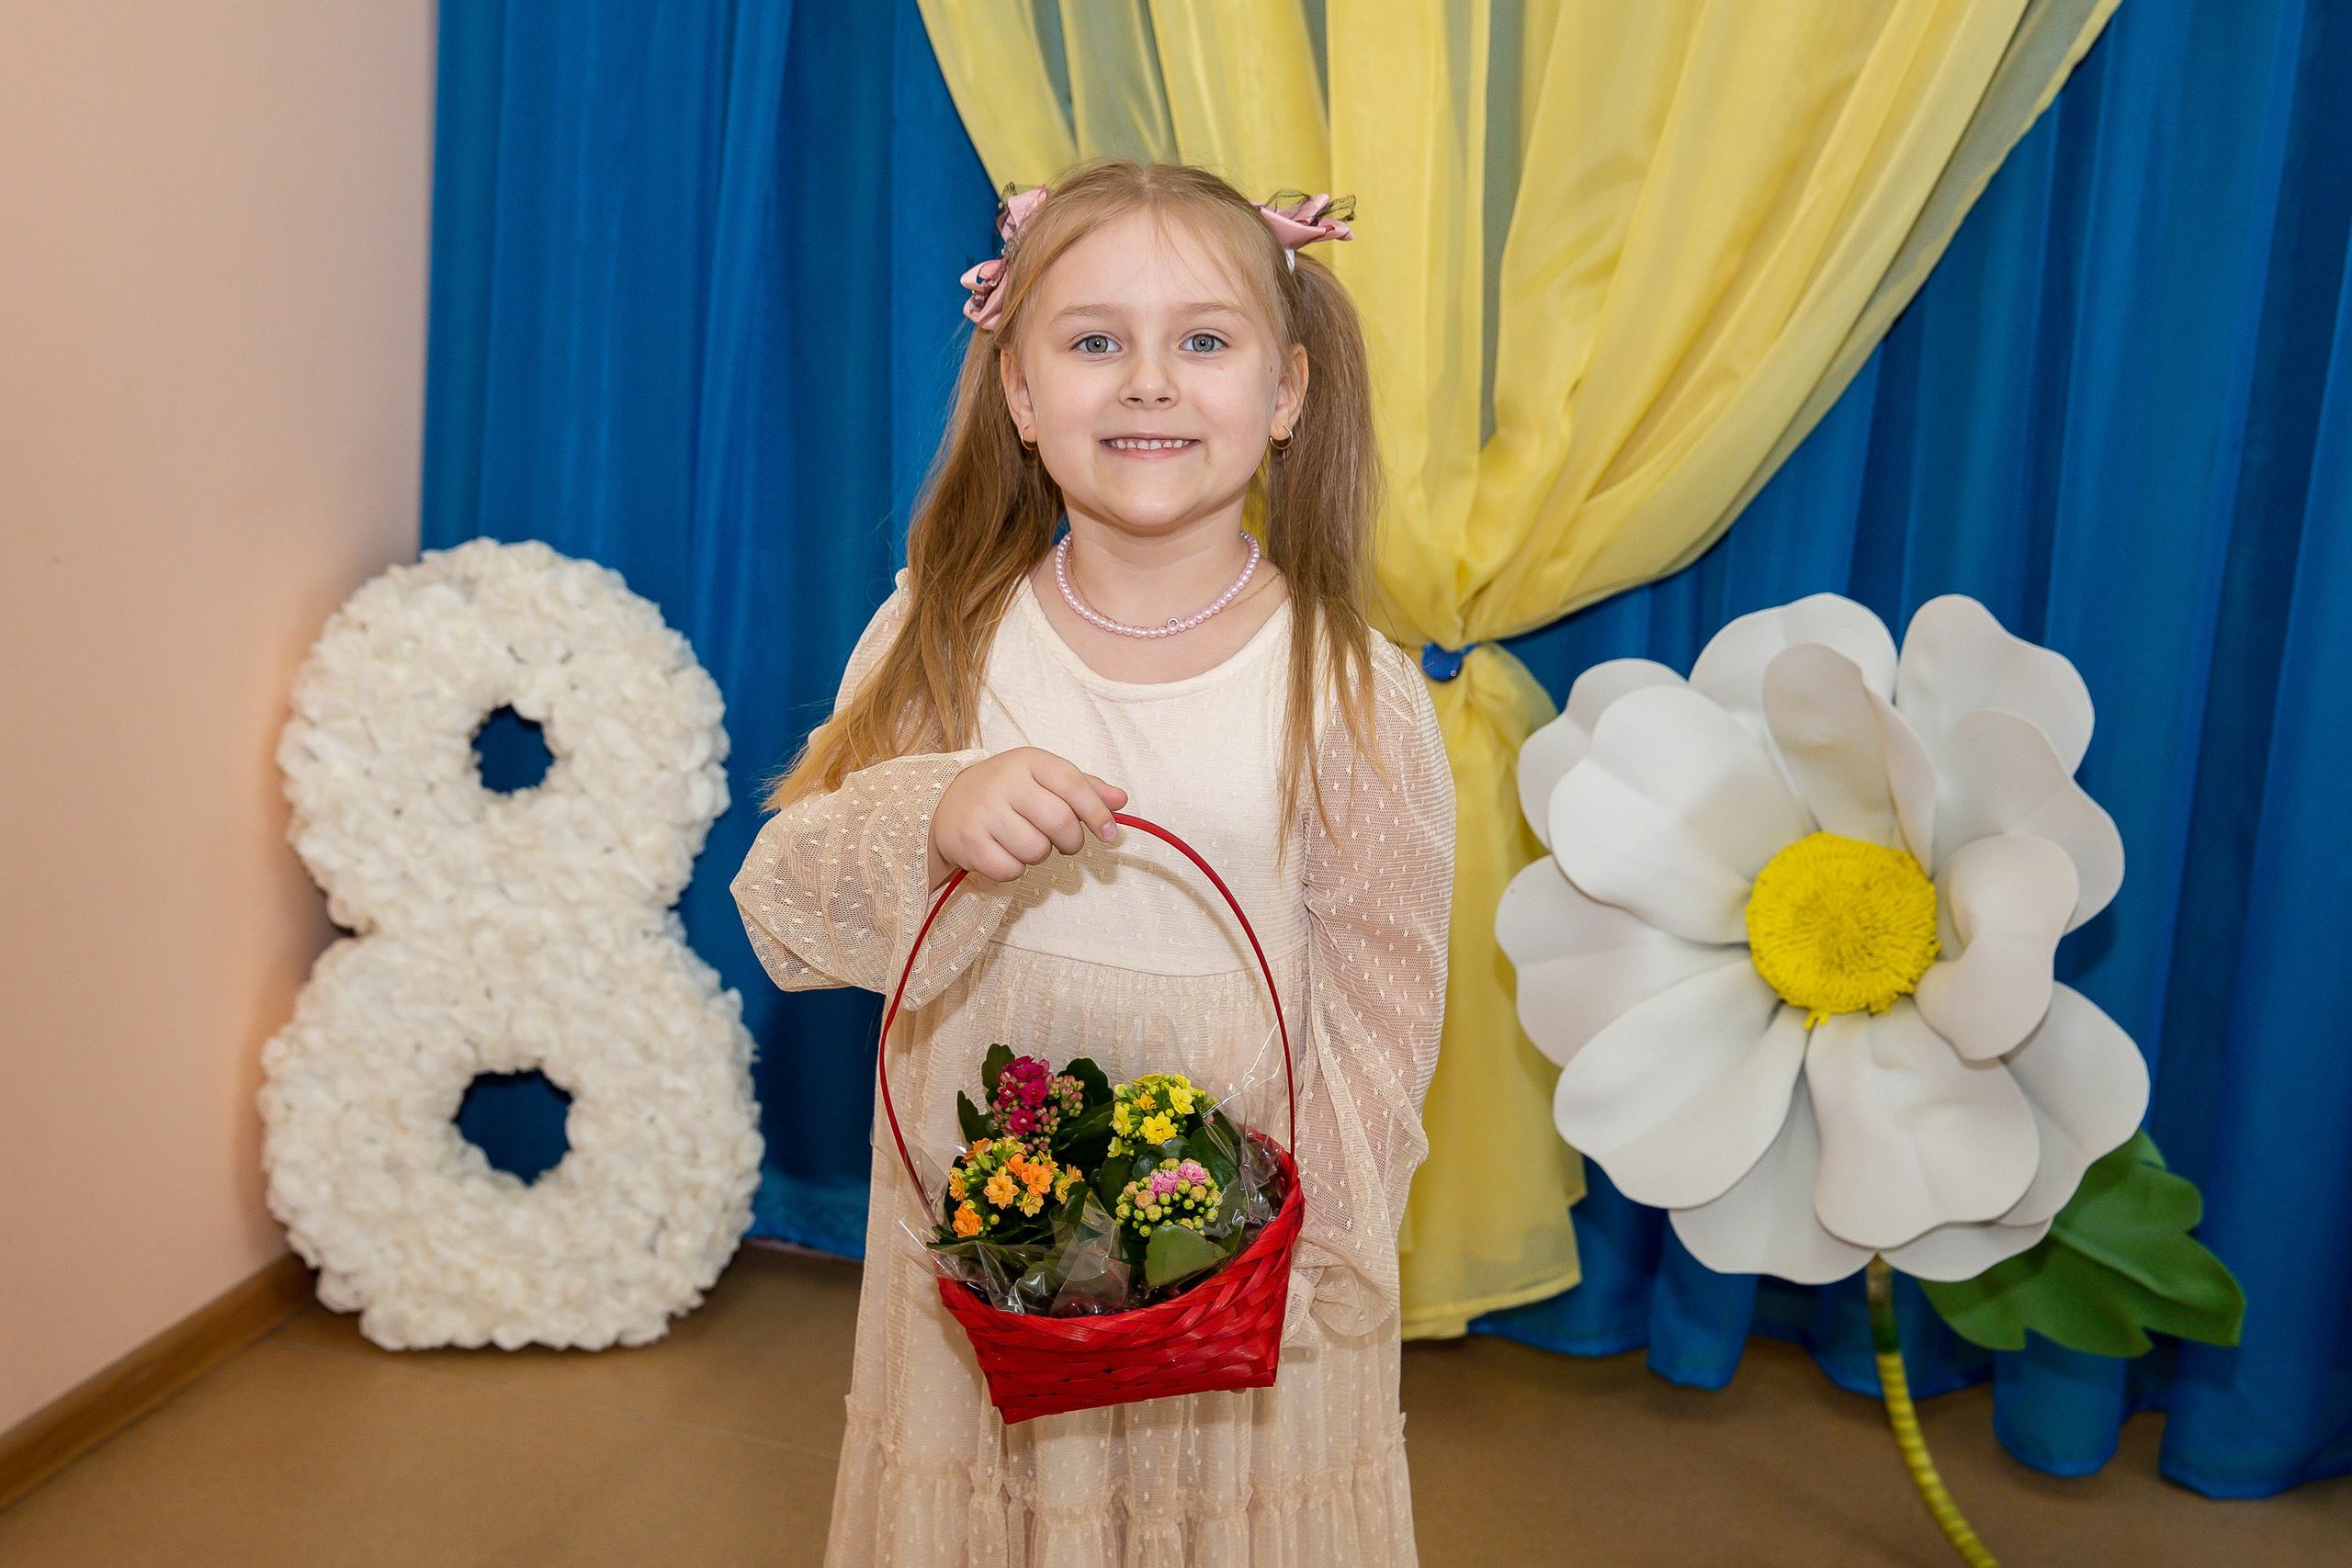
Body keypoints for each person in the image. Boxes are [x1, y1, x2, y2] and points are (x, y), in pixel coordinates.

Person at [732, 158, 1452, 1568]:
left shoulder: (1353, 687)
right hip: (986, 1261)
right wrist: (931, 812)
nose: (1148, 383)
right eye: (1093, 341)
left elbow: (1385, 1007)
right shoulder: (941, 636)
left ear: (1289, 392)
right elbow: (785, 906)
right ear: (1018, 393)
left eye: (1203, 339)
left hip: (1235, 1267)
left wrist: (1309, 1264)